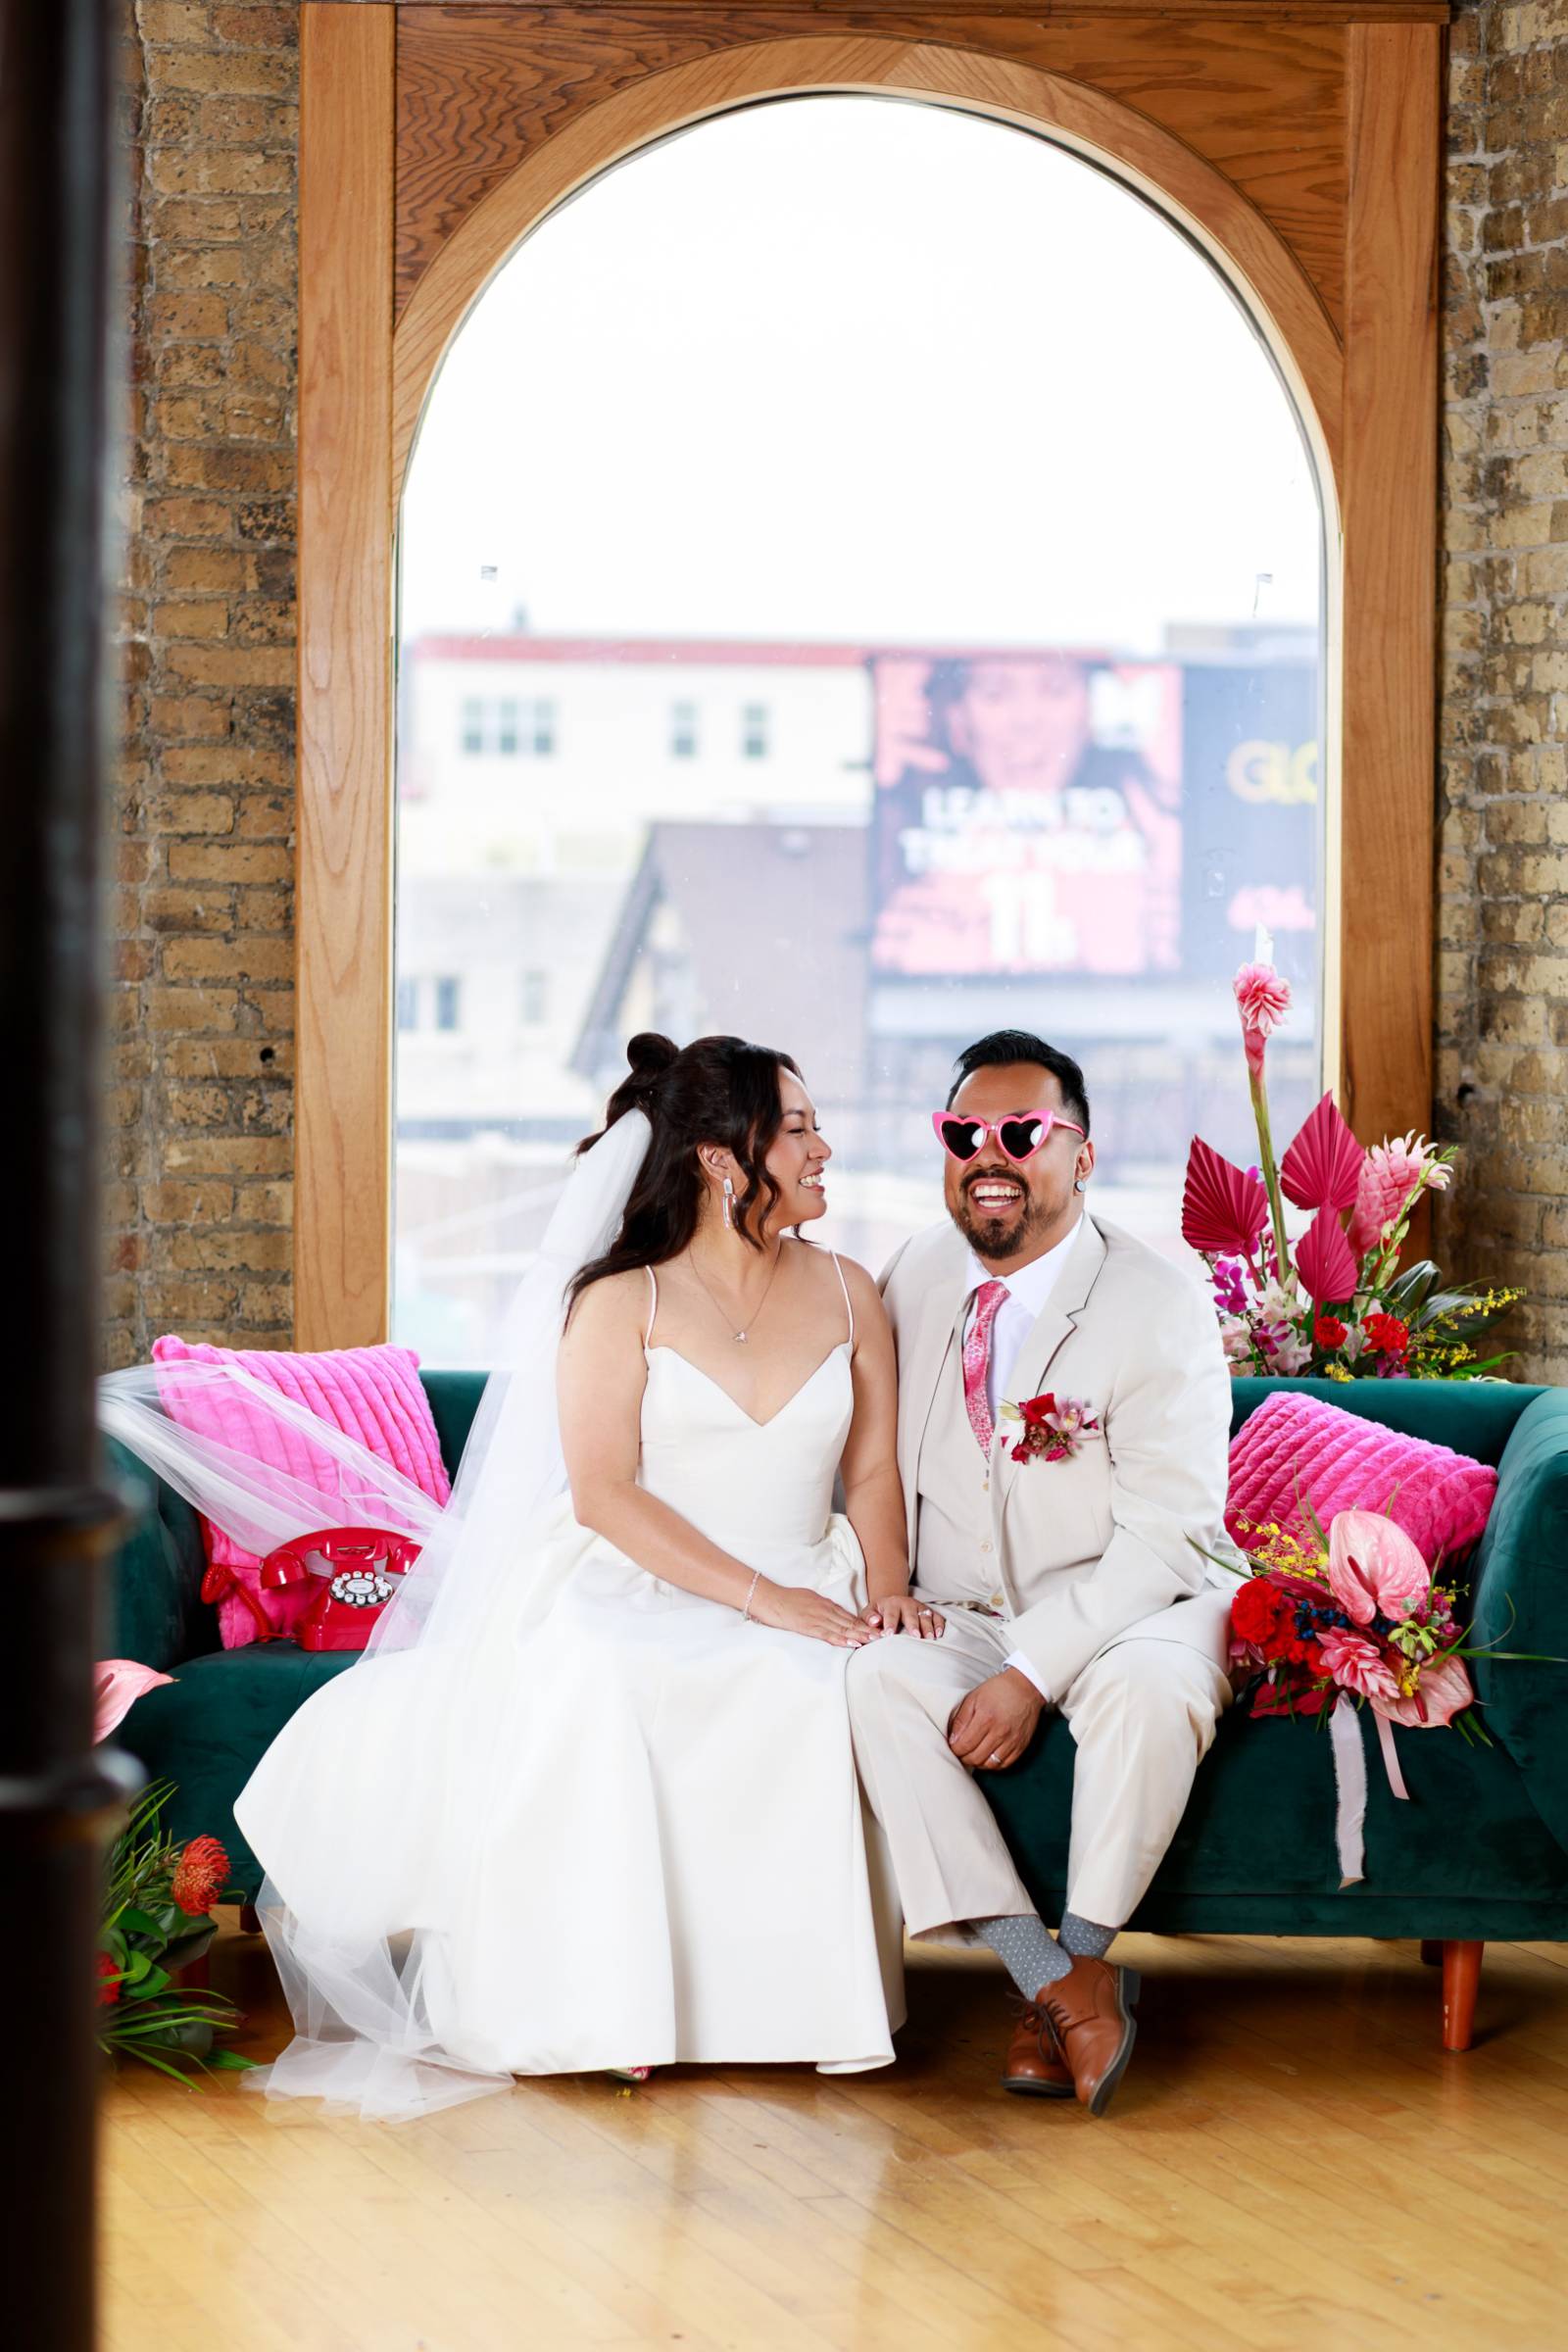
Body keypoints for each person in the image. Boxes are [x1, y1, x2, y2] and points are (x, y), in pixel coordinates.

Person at [232, 1033, 931, 2116]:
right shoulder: (618, 1302)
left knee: (818, 1681)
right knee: (607, 1674)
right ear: (720, 1158)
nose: (823, 1148)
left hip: (809, 1564)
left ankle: (797, 2009)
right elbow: (605, 1494)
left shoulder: (849, 1290)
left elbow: (873, 1469)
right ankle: (607, 2001)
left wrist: (886, 1590)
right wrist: (762, 1601)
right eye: (797, 1129)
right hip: (647, 1569)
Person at [848, 1028, 1238, 2118]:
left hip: (1142, 1600)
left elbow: (1168, 1534)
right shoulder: (913, 1273)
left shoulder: (1155, 1302)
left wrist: (1030, 1672)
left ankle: (1076, 1961)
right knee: (873, 1678)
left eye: (1022, 1132)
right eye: (963, 1132)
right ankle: (1056, 1984)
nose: (990, 1155)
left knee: (1151, 1692)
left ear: (1083, 1154)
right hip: (965, 1606)